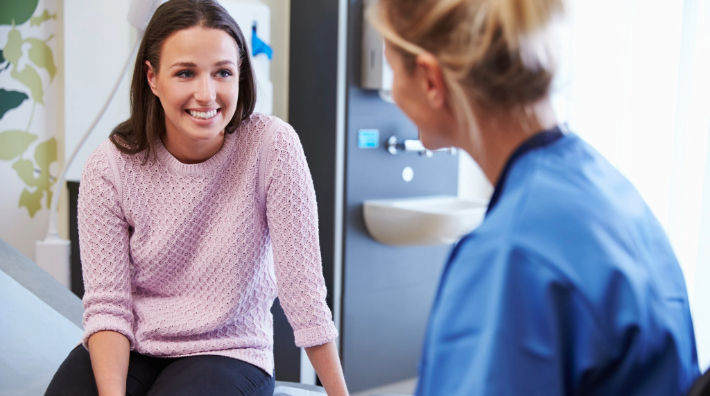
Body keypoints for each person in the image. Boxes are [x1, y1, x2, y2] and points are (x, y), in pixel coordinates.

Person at [369, 0, 699, 395]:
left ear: (429, 80)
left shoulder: (512, 254)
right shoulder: (607, 189)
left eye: (392, 71)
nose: (393, 94)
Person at [45, 1, 348, 395]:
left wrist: (340, 394)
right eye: (185, 73)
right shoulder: (111, 164)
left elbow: (303, 291)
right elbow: (107, 307)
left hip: (231, 350)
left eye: (223, 72)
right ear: (152, 77)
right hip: (135, 344)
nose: (206, 94)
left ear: (240, 74)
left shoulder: (272, 146)